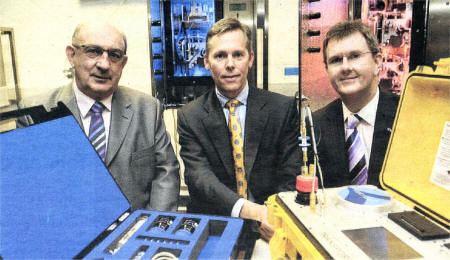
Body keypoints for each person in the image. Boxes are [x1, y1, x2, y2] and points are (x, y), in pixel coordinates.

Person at [18, 22, 180, 211]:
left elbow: (166, 174)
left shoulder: (147, 109)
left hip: (134, 230)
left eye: (114, 55)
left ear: (123, 63)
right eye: (93, 51)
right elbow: (27, 188)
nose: (104, 64)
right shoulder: (35, 112)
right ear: (72, 56)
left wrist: (151, 231)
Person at [177, 18, 300, 241]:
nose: (230, 64)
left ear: (250, 59)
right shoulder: (190, 115)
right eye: (220, 55)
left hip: (271, 227)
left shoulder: (282, 108)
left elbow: (290, 173)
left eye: (238, 55)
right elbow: (199, 177)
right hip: (215, 227)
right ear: (206, 61)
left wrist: (276, 216)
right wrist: (251, 210)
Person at [313, 20, 399, 188]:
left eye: (355, 56)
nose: (345, 67)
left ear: (377, 62)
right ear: (327, 70)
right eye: (336, 60)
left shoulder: (405, 115)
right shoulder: (317, 124)